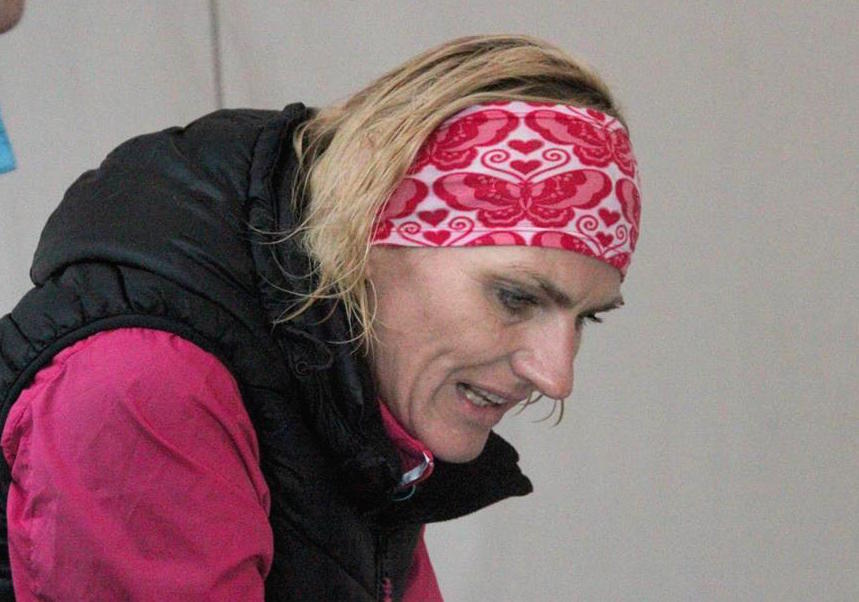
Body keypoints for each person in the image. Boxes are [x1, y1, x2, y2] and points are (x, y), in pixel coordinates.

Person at [0, 34, 641, 600]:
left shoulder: (353, 393)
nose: (556, 376)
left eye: (586, 318)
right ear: (365, 226)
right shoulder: (144, 390)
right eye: (516, 298)